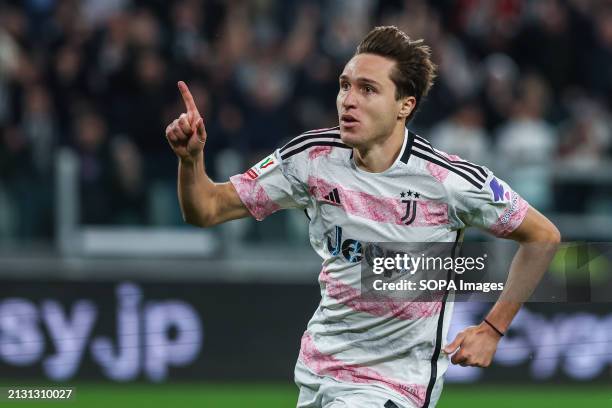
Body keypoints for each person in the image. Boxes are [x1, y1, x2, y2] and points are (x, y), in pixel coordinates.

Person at [165, 26, 560, 408]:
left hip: (395, 383)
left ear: (405, 105)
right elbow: (206, 210)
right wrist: (191, 161)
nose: (348, 100)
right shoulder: (312, 158)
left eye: (368, 89)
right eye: (345, 85)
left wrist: (492, 329)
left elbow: (543, 236)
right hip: (319, 370)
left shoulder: (446, 181)